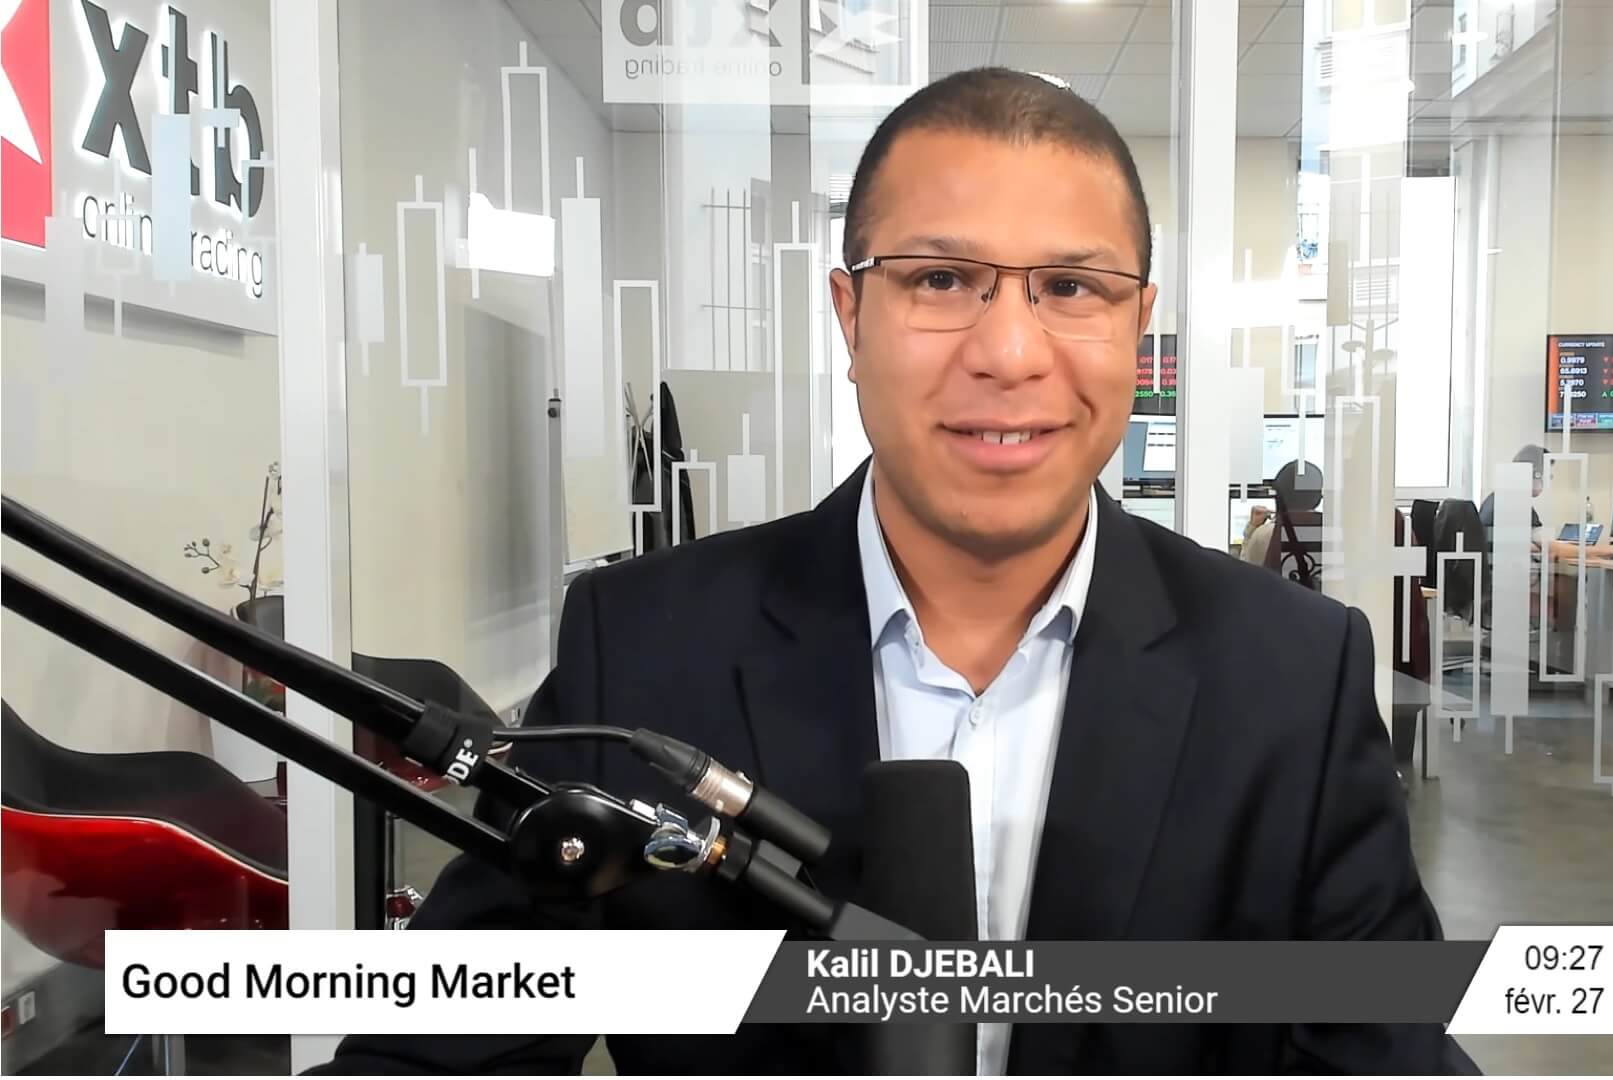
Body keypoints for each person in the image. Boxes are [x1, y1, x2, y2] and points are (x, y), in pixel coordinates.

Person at [314, 68, 1468, 1076]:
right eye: (940, 280)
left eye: (1072, 288)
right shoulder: (648, 650)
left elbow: (1385, 1049)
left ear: (1138, 326)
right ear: (850, 313)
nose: (1008, 352)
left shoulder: (1290, 677)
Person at [1479, 443, 1546, 551]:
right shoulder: (1514, 502)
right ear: (1535, 474)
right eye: (1547, 475)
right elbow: (1547, 545)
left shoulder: (1500, 496)